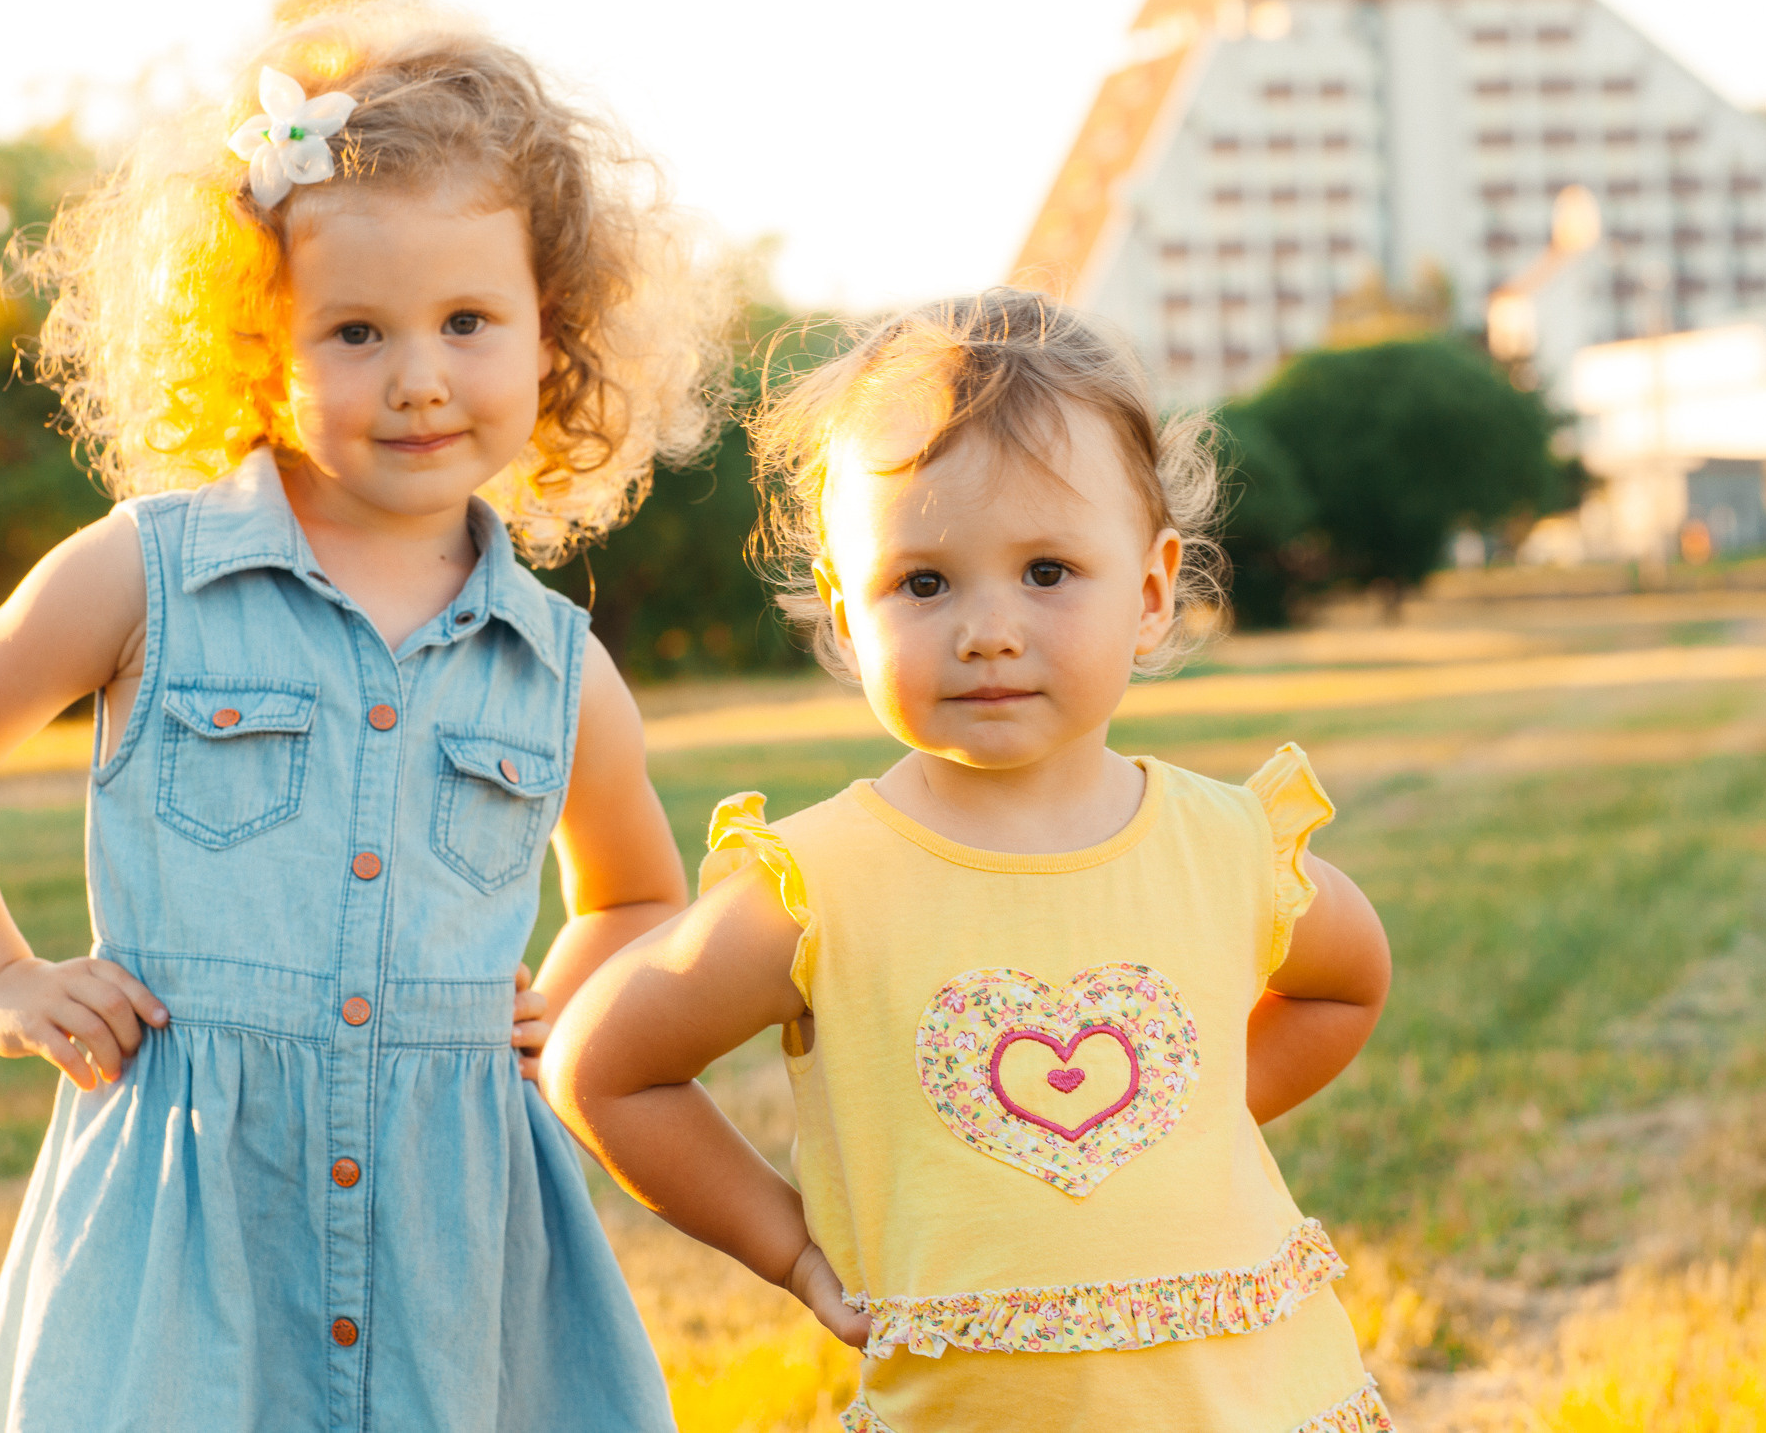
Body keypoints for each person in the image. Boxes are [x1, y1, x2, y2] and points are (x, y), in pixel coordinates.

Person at [0, 3, 720, 1432]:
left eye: (468, 321)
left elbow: (635, 894)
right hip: (187, 1215)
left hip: (456, 1235)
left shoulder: (556, 661)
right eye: (357, 329)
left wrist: (559, 1004)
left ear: (549, 334)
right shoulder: (150, 570)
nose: (421, 374)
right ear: (261, 345)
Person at [544, 289, 1394, 1432]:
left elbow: (1347, 981)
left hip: (1253, 1397)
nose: (987, 628)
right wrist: (793, 1251)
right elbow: (606, 1067)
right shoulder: (820, 885)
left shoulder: (1225, 845)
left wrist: (1192, 1116)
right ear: (846, 618)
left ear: (1149, 592)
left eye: (1046, 571)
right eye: (924, 583)